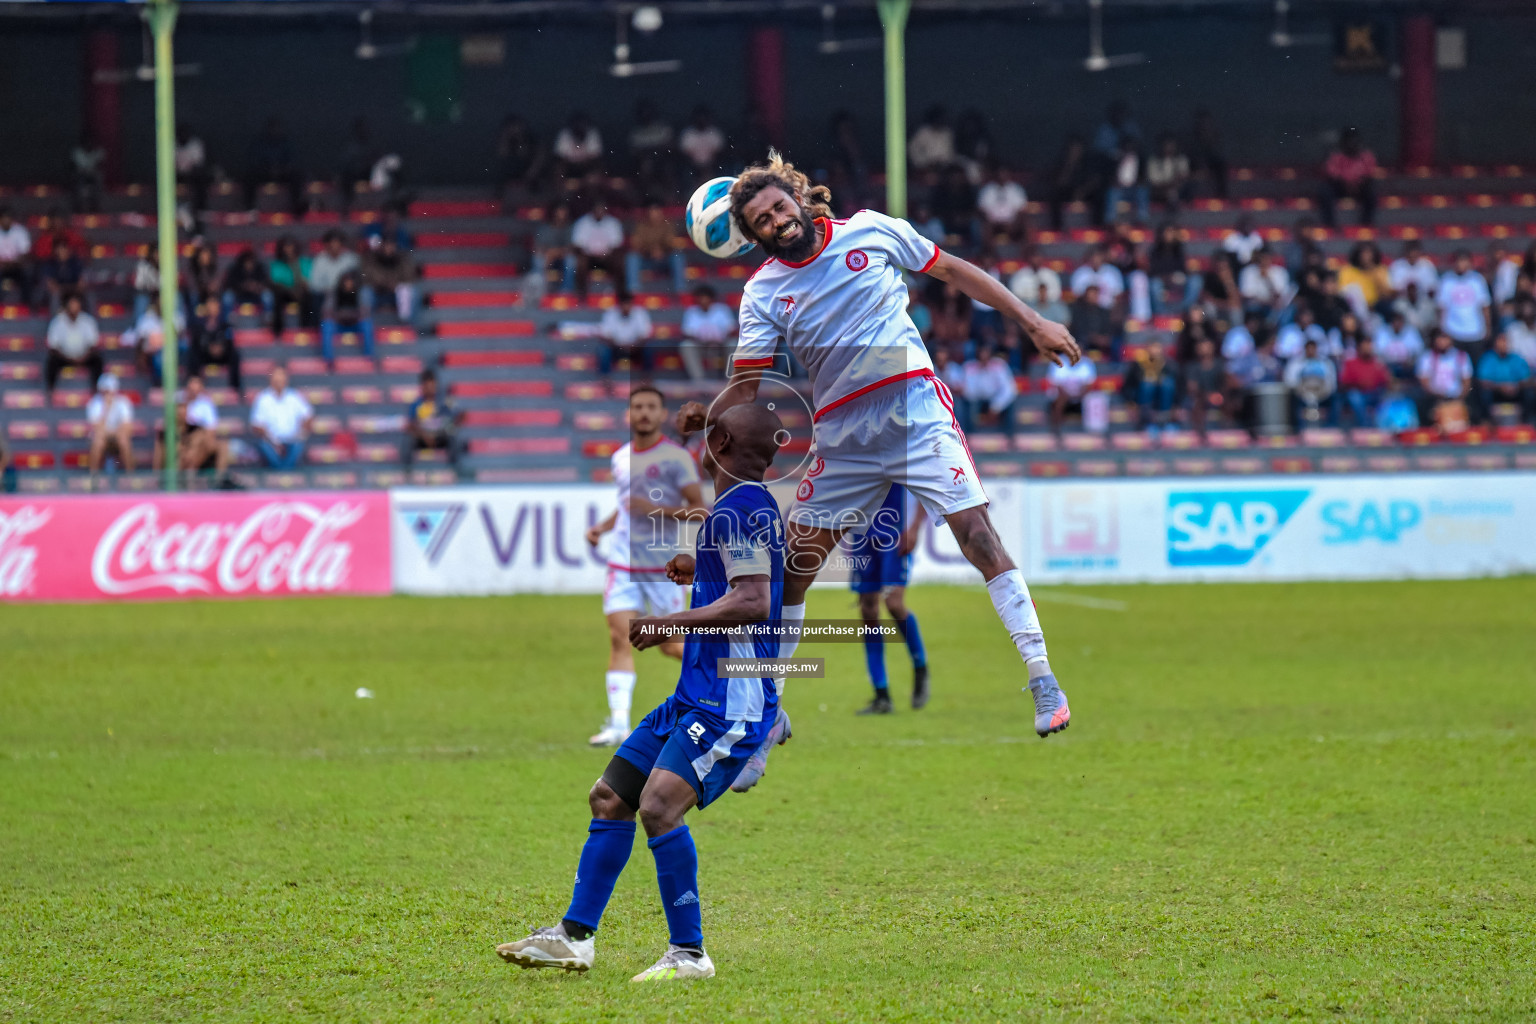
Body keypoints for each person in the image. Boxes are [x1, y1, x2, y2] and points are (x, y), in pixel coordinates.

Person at [679, 152, 1081, 763]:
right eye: (761, 220)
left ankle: (1041, 675)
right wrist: (709, 422)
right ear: (751, 236)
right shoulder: (762, 292)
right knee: (796, 567)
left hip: (915, 412)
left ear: (799, 199)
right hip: (843, 437)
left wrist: (1030, 321)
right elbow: (748, 386)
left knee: (978, 536)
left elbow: (956, 272)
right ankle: (768, 713)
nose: (777, 221)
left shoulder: (869, 230)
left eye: (780, 207)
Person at [497, 402, 786, 982]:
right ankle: (574, 938)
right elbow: (749, 582)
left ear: (721, 444)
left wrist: (669, 624)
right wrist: (697, 564)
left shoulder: (741, 508)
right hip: (695, 695)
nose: (699, 446)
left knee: (657, 808)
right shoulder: (740, 507)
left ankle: (690, 953)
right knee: (610, 797)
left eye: (708, 436)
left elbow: (753, 600)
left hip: (731, 699)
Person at [582, 386, 708, 747]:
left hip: (663, 567)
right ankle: (619, 723)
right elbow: (626, 506)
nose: (644, 413)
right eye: (637, 407)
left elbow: (700, 509)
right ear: (628, 414)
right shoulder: (620, 457)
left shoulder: (676, 458)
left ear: (662, 413)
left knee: (672, 645)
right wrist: (601, 529)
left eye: (651, 407)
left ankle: (730, 684)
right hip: (623, 563)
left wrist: (657, 511)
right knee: (619, 636)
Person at [845, 484, 930, 715]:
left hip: (895, 532)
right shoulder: (856, 450)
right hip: (863, 535)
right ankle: (881, 695)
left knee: (893, 603)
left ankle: (920, 664)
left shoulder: (902, 452)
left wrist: (914, 527)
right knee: (868, 610)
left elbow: (924, 486)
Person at [152, 373, 231, 482]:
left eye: (183, 408)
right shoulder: (166, 431)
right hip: (178, 458)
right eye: (178, 408)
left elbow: (208, 434)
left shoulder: (202, 412)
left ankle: (219, 481)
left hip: (196, 452)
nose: (181, 411)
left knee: (206, 445)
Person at [249, 367, 312, 469]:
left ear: (286, 379)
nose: (279, 380)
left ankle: (283, 470)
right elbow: (256, 424)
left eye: (281, 376)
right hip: (271, 441)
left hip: (293, 439)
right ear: (270, 379)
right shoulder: (262, 398)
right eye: (276, 377)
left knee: (298, 445)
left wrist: (302, 430)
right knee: (265, 446)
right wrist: (273, 440)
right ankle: (284, 471)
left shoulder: (295, 396)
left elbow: (308, 416)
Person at [44, 291, 103, 397]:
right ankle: (50, 390)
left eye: (76, 305)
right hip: (64, 357)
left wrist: (83, 358)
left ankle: (97, 389)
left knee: (98, 360)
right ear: (66, 307)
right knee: (51, 361)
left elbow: (93, 345)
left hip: (84, 357)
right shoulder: (57, 322)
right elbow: (53, 347)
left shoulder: (88, 321)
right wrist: (68, 358)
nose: (74, 308)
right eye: (72, 305)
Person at [1120, 336, 1181, 434]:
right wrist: (1130, 403)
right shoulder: (1138, 364)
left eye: (1158, 348)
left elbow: (1179, 386)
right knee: (1147, 384)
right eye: (1153, 347)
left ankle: (1165, 422)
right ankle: (1147, 422)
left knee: (1167, 383)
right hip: (1143, 397)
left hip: (1164, 398)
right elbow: (1127, 385)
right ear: (1147, 349)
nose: (1155, 351)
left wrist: (1178, 405)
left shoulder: (1169, 365)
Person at [243, 117, 305, 215]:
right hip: (264, 173)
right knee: (249, 178)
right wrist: (267, 169)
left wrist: (281, 169)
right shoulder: (260, 143)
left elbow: (291, 161)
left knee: (297, 177)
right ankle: (249, 207)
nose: (275, 130)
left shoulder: (286, 143)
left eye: (277, 128)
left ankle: (296, 206)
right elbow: (254, 161)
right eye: (273, 128)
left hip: (282, 173)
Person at [1436, 249, 1492, 356]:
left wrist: (1488, 327)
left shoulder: (1477, 280)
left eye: (1463, 261)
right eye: (1458, 261)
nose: (1460, 264)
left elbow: (1484, 306)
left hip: (1475, 331)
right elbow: (1442, 308)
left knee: (1476, 367)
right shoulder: (1446, 281)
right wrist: (1442, 329)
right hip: (1453, 332)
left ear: (1469, 263)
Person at [403, 369, 462, 468]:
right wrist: (423, 434)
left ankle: (455, 470)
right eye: (427, 386)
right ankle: (406, 470)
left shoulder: (445, 402)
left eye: (432, 385)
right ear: (422, 387)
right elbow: (410, 424)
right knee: (407, 440)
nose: (430, 389)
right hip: (422, 438)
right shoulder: (416, 404)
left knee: (453, 438)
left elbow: (459, 416)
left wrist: (449, 427)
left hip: (440, 437)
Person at [1320, 128, 1378, 227]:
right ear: (1343, 143)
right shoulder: (1335, 156)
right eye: (1349, 142)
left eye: (1354, 141)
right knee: (1324, 191)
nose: (1352, 144)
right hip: (1340, 187)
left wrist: (1357, 183)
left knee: (1371, 193)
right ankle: (1329, 225)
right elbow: (1332, 174)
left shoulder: (1367, 156)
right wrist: (1346, 183)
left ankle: (1366, 224)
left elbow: (1369, 173)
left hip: (1360, 187)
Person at [679, 285, 738, 381]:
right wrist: (702, 339)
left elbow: (731, 329)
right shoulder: (691, 312)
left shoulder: (722, 309)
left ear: (711, 298)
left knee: (733, 344)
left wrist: (718, 340)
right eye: (700, 298)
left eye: (705, 297)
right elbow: (687, 333)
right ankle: (699, 379)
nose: (703, 300)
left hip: (721, 343)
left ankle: (730, 378)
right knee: (686, 345)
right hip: (700, 344)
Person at [625, 204, 688, 295]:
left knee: (678, 256)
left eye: (656, 212)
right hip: (647, 259)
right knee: (632, 257)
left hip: (664, 259)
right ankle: (633, 288)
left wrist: (661, 250)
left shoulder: (668, 224)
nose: (654, 215)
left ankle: (680, 288)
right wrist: (650, 250)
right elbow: (636, 243)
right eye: (652, 213)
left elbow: (671, 242)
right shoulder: (641, 226)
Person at [960, 341, 1018, 437]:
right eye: (981, 355)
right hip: (976, 401)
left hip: (995, 400)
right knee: (964, 403)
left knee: (1010, 401)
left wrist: (995, 407)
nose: (984, 358)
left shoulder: (999, 365)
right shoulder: (969, 367)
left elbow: (1009, 390)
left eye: (986, 355)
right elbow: (967, 391)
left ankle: (1008, 437)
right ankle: (968, 436)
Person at [1415, 330, 1473, 426]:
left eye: (1445, 338)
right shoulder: (1427, 357)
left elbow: (1466, 381)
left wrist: (1459, 398)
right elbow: (1424, 381)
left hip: (1456, 398)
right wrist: (1436, 394)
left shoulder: (1461, 356)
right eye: (1439, 338)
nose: (1442, 341)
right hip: (1434, 398)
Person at [570, 200, 625, 299]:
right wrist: (592, 253)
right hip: (589, 257)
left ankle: (621, 294)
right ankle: (582, 294)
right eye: (597, 210)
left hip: (608, 257)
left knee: (619, 260)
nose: (599, 212)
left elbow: (617, 244)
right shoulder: (583, 223)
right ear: (592, 211)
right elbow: (578, 245)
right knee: (580, 261)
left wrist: (604, 254)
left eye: (601, 210)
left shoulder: (613, 223)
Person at [1474, 332, 1534, 424]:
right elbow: (1482, 381)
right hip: (1496, 392)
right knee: (1484, 393)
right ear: (1495, 344)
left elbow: (1527, 379)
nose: (1504, 344)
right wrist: (1500, 387)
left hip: (1515, 391)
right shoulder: (1487, 358)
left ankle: (1526, 422)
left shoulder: (1517, 358)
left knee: (1529, 393)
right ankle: (1487, 422)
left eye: (1505, 341)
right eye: (1501, 341)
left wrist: (1516, 386)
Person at [86, 373, 135, 480]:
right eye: (105, 391)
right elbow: (97, 428)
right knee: (98, 441)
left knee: (123, 440)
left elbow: (127, 427)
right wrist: (106, 409)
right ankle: (93, 478)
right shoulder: (94, 403)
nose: (107, 394)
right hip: (103, 438)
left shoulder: (123, 402)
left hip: (116, 438)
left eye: (109, 391)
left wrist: (113, 433)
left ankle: (130, 477)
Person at [321, 271, 376, 368]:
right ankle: (328, 360)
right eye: (345, 282)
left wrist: (347, 314)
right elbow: (326, 312)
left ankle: (369, 358)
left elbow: (365, 313)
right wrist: (341, 316)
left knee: (367, 324)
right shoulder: (334, 293)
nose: (348, 285)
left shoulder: (361, 292)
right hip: (339, 324)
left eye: (350, 282)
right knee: (326, 325)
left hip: (355, 324)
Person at [361, 236, 419, 324]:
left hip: (396, 294)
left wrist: (396, 284)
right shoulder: (371, 258)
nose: (388, 248)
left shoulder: (402, 258)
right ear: (381, 247)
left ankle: (407, 324)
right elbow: (367, 276)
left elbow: (409, 277)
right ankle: (367, 324)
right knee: (365, 292)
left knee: (411, 291)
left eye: (391, 246)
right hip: (377, 293)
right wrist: (385, 283)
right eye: (386, 245)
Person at [187, 300, 242, 391]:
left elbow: (229, 341)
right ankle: (194, 386)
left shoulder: (225, 325)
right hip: (205, 355)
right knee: (192, 354)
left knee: (235, 354)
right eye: (210, 306)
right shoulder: (199, 325)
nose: (212, 309)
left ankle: (234, 387)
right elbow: (196, 342)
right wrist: (209, 348)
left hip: (222, 355)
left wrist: (221, 348)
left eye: (215, 306)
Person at [595, 291, 654, 375]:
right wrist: (620, 346)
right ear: (619, 304)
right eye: (624, 304)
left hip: (635, 348)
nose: (626, 307)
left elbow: (645, 335)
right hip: (616, 348)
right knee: (603, 349)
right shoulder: (610, 314)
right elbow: (605, 336)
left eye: (628, 304)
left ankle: (647, 376)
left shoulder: (640, 313)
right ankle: (606, 378)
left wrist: (633, 345)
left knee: (649, 347)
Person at [1284, 338, 1339, 426]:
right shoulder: (1296, 363)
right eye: (1308, 348)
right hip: (1301, 395)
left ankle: (1330, 427)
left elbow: (1332, 383)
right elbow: (1290, 382)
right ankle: (1299, 428)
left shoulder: (1326, 363)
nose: (1311, 351)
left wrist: (1320, 394)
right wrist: (1304, 393)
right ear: (1305, 349)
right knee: (1291, 400)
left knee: (1336, 400)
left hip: (1322, 394)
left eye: (1313, 348)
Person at [1339, 335, 1390, 427]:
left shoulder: (1377, 363)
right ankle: (1364, 427)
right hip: (1357, 393)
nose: (1368, 349)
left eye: (1369, 346)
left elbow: (1385, 381)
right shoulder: (1350, 363)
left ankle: (1385, 427)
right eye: (1365, 346)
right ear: (1359, 348)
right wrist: (1359, 383)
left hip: (1374, 394)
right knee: (1354, 397)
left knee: (1387, 398)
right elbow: (1344, 381)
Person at [268, 235, 313, 335]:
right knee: (277, 294)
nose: (288, 250)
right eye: (286, 247)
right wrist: (291, 290)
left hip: (302, 293)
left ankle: (306, 329)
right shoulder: (276, 264)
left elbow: (307, 281)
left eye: (291, 246)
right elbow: (277, 282)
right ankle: (278, 331)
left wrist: (294, 265)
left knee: (309, 296)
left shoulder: (305, 262)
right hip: (286, 294)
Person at [1047, 350, 1098, 435]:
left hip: (1081, 396)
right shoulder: (1058, 362)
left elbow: (1088, 386)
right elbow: (1058, 386)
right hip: (1064, 396)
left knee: (1094, 400)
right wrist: (1070, 395)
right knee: (1059, 400)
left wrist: (1078, 395)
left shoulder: (1087, 363)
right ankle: (1056, 431)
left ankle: (1093, 431)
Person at [1185, 337, 1228, 435]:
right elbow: (1192, 387)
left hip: (1219, 396)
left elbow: (1225, 384)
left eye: (1207, 346)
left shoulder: (1220, 365)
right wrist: (1207, 396)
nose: (1205, 349)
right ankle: (1200, 431)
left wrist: (1219, 395)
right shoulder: (1192, 366)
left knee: (1232, 401)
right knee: (1196, 403)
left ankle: (1228, 428)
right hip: (1201, 397)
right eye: (1202, 347)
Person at [976, 165, 1028, 243]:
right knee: (984, 225)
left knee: (1027, 222)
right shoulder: (987, 190)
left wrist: (1013, 222)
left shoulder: (1016, 189)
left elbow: (1021, 209)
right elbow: (982, 210)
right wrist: (994, 221)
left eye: (1004, 174)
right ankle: (990, 252)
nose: (1002, 176)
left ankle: (1029, 252)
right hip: (993, 223)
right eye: (1000, 174)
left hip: (1012, 222)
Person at [1372, 308, 1425, 380]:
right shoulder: (1382, 331)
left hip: (1407, 366)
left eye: (1399, 321)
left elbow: (1419, 350)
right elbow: (1377, 351)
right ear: (1391, 322)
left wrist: (1410, 360)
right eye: (1395, 321)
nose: (1397, 324)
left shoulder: (1411, 331)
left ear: (1403, 322)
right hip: (1388, 366)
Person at [1146, 134, 1192, 214]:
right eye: (1166, 145)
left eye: (1171, 145)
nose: (1168, 148)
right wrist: (1167, 185)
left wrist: (1173, 184)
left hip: (1178, 190)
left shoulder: (1181, 159)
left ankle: (1174, 210)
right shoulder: (1153, 161)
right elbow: (1153, 181)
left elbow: (1183, 177)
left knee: (1173, 192)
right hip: (1158, 191)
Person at [678, 106, 727, 179]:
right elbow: (684, 155)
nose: (701, 120)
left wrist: (708, 167)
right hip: (692, 167)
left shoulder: (715, 133)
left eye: (703, 118)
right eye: (699, 118)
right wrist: (698, 167)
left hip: (712, 166)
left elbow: (719, 154)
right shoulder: (688, 134)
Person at [553, 112, 604, 179]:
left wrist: (582, 163)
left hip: (587, 164)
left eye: (583, 124)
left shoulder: (592, 133)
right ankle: (559, 187)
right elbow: (560, 157)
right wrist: (573, 163)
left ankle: (593, 187)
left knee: (598, 167)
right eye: (577, 124)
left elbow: (595, 156)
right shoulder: (564, 134)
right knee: (558, 168)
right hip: (568, 165)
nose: (580, 126)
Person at [907, 106, 955, 173]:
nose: (940, 120)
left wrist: (943, 163)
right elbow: (913, 150)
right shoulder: (922, 132)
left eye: (942, 118)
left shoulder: (947, 133)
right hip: (924, 167)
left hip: (944, 167)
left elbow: (949, 153)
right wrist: (925, 163)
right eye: (938, 118)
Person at [0, 206, 33, 299]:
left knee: (28, 273)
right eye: (3, 218)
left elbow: (25, 253)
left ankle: (27, 305)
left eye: (8, 218)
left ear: (11, 219)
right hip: (1, 267)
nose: (6, 220)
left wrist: (13, 263)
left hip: (17, 266)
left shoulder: (20, 231)